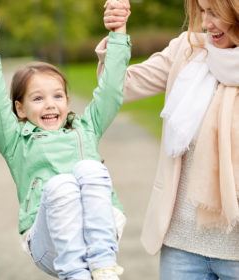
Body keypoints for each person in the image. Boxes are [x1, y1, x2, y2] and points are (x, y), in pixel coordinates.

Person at [0, 2, 131, 279]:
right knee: (62, 184)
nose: (50, 105)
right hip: (50, 243)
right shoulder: (15, 141)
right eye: (38, 98)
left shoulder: (86, 128)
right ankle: (76, 274)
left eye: (57, 96)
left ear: (67, 100)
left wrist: (118, 31)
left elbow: (112, 88)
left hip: (99, 230)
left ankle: (104, 267)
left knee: (90, 169)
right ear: (20, 109)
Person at [103, 0, 239, 279]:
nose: (205, 23)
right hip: (181, 248)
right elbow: (120, 87)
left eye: (214, 12)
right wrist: (117, 34)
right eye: (202, 11)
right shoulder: (189, 50)